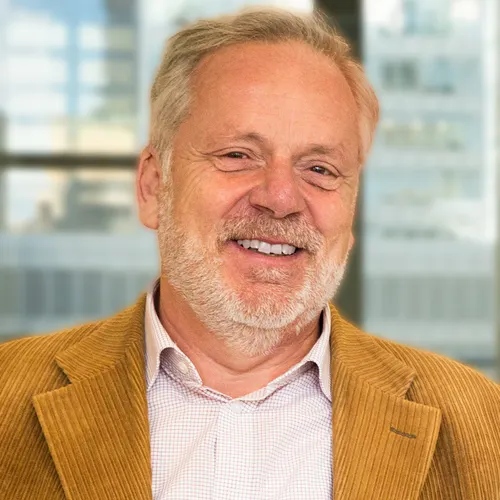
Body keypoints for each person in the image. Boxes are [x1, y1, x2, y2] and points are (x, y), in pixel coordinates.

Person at [0, 8, 498, 500]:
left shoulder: (483, 419)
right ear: (154, 186)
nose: (280, 198)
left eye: (320, 169)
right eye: (237, 155)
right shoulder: (7, 394)